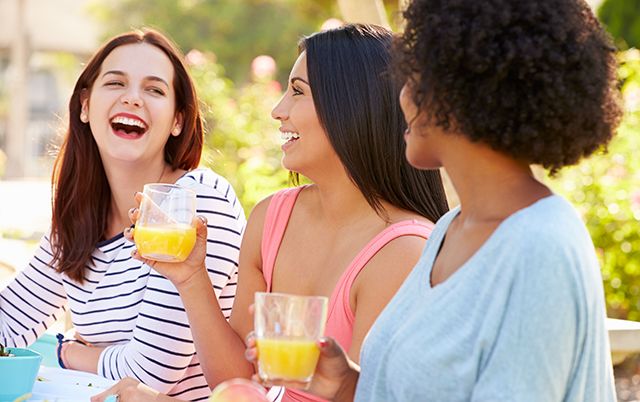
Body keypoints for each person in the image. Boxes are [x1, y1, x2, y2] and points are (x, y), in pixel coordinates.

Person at [253, 0, 623, 401]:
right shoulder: (452, 228)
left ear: (461, 91)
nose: (401, 100)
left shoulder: (539, 247)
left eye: (413, 78)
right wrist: (347, 385)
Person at [92, 23, 449, 402]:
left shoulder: (402, 251)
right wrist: (191, 278)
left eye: (298, 92)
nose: (278, 111)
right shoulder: (273, 217)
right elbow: (239, 380)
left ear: (353, 105)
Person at [0, 29, 245, 401]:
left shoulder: (195, 202)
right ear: (84, 105)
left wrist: (70, 352)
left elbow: (150, 372)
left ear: (178, 119)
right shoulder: (78, 218)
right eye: (116, 83)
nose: (132, 98)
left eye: (155, 90)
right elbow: (9, 322)